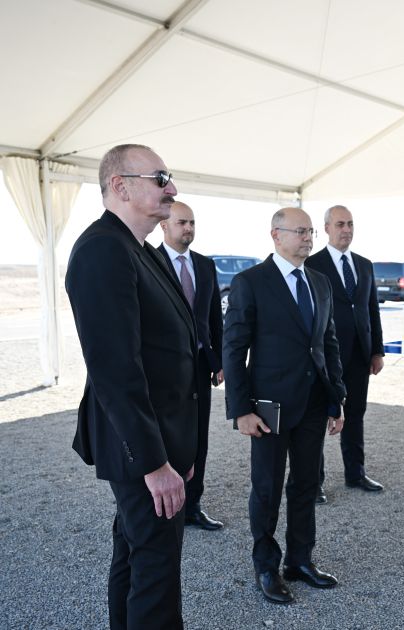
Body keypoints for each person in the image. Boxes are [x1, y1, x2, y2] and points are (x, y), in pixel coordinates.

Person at [65, 144, 198, 629]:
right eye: (160, 178)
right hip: (141, 448)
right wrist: (154, 464)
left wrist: (177, 449)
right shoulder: (103, 249)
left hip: (159, 440)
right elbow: (115, 370)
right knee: (155, 572)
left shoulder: (137, 249)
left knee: (137, 553)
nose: (172, 188)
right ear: (120, 186)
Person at [222, 207, 348, 605]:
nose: (308, 238)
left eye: (311, 231)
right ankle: (266, 566)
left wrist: (337, 398)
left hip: (314, 402)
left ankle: (299, 560)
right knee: (267, 487)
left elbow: (328, 343)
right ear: (276, 235)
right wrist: (241, 409)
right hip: (268, 407)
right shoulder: (250, 282)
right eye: (300, 231)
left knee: (306, 484)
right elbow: (233, 349)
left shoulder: (320, 282)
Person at [305, 205, 385, 501]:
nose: (346, 230)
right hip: (325, 355)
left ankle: (356, 473)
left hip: (359, 354)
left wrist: (377, 351)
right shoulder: (312, 263)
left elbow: (371, 309)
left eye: (350, 224)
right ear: (326, 228)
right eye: (340, 224)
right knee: (318, 418)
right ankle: (314, 482)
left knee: (355, 414)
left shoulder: (364, 265)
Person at [157, 201, 225, 531]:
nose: (188, 228)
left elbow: (214, 317)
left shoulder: (205, 265)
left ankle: (193, 506)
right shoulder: (150, 261)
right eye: (182, 222)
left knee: (199, 437)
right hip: (165, 369)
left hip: (200, 366)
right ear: (164, 225)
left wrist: (219, 360)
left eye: (192, 223)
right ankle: (167, 505)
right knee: (169, 435)